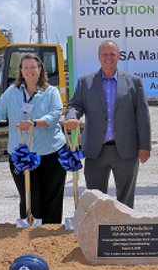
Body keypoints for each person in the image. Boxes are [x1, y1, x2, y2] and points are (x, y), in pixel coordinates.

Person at [0, 54, 67, 224]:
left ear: (40, 69)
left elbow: (55, 114)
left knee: (51, 198)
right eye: (25, 67)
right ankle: (28, 230)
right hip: (20, 153)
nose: (29, 71)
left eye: (33, 67)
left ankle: (50, 232)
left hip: (50, 151)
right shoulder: (12, 92)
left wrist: (34, 123)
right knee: (28, 196)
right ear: (20, 71)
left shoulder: (51, 92)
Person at [64, 40, 151, 208]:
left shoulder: (134, 82)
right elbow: (75, 105)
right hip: (96, 150)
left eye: (112, 54)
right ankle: (99, 226)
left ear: (119, 56)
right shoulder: (85, 82)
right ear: (99, 57)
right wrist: (71, 116)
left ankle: (123, 224)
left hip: (126, 151)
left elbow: (143, 116)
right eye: (105, 54)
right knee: (96, 201)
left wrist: (144, 146)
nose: (108, 57)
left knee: (126, 201)